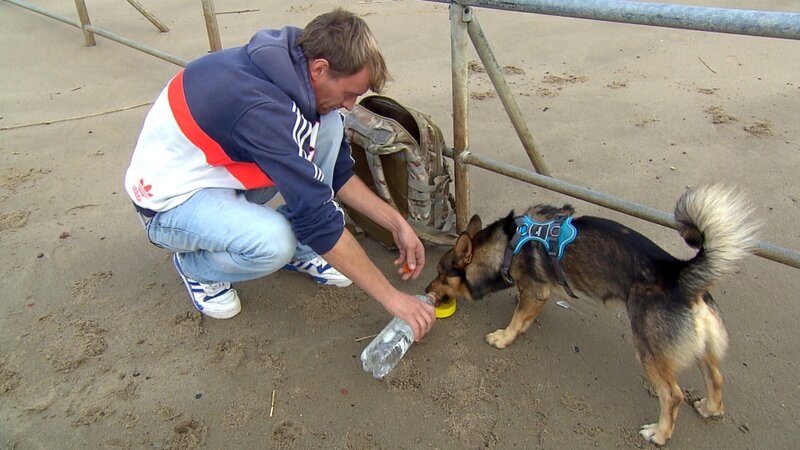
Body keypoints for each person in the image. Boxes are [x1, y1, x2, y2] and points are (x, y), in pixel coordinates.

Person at [124, 8, 435, 340]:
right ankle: (197, 269)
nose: (350, 105)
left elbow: (337, 175)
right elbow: (319, 217)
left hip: (218, 171)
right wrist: (394, 300)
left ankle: (300, 248)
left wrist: (397, 223)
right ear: (320, 68)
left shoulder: (291, 66)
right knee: (275, 243)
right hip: (169, 205)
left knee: (328, 124)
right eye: (349, 93)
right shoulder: (264, 110)